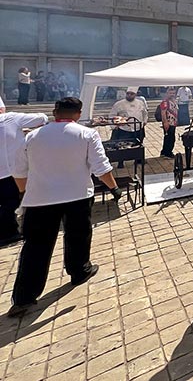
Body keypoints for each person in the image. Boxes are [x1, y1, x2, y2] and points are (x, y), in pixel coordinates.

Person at [8, 97, 123, 317]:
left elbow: (19, 171)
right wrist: (114, 189)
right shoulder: (87, 134)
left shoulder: (31, 137)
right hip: (77, 196)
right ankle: (79, 271)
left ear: (54, 112)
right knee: (77, 236)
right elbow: (101, 167)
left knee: (35, 247)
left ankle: (24, 298)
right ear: (78, 114)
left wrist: (24, 192)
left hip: (40, 200)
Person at [0, 97, 48, 246]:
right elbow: (42, 117)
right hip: (11, 170)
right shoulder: (11, 118)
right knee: (12, 202)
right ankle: (10, 233)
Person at [109, 87, 149, 168]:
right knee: (122, 146)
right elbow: (112, 115)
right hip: (124, 129)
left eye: (132, 94)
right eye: (128, 94)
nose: (129, 95)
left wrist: (145, 121)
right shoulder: (119, 104)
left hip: (138, 127)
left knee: (138, 144)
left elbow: (145, 113)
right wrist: (114, 126)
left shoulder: (140, 102)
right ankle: (121, 162)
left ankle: (138, 159)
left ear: (135, 94)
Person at [159, 88, 178, 158]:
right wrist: (165, 122)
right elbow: (163, 113)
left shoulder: (174, 101)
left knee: (168, 137)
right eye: (170, 93)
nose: (172, 95)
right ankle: (168, 153)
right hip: (168, 123)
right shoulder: (165, 102)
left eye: (173, 93)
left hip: (173, 122)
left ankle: (164, 151)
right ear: (167, 93)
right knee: (170, 138)